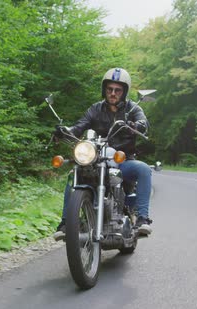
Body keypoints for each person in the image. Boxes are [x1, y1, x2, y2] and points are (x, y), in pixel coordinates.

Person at [53, 67, 154, 241]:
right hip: (97, 158)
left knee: (144, 169)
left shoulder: (132, 109)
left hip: (123, 161)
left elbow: (143, 122)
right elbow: (80, 126)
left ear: (124, 92)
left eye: (117, 90)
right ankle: (65, 223)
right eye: (109, 89)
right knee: (73, 176)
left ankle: (142, 218)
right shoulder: (95, 109)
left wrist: (137, 126)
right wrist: (65, 131)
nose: (113, 93)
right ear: (104, 89)